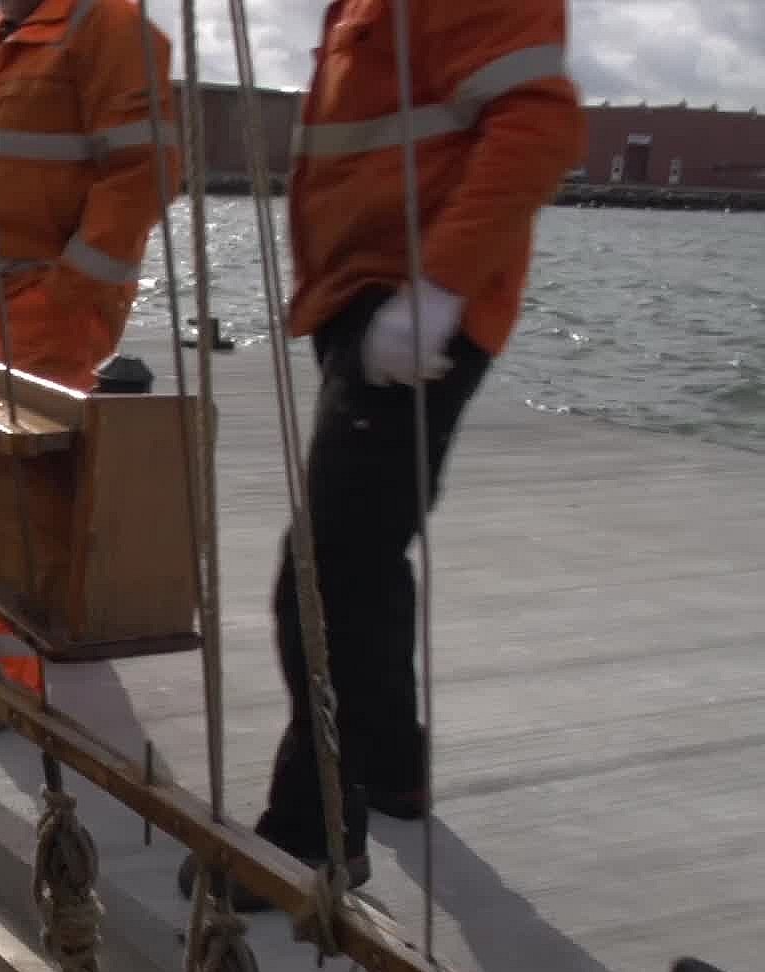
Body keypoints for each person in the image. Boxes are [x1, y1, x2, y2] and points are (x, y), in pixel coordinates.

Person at [179, 0, 584, 909]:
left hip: (414, 307)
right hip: (363, 306)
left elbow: (540, 124)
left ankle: (313, 833)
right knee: (364, 563)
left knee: (321, 580)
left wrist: (438, 287)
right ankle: (394, 764)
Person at [0, 0, 181, 737]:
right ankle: (49, 634)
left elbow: (147, 169)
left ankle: (9, 677)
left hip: (41, 304)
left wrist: (68, 292)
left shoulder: (108, 29)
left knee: (14, 492)